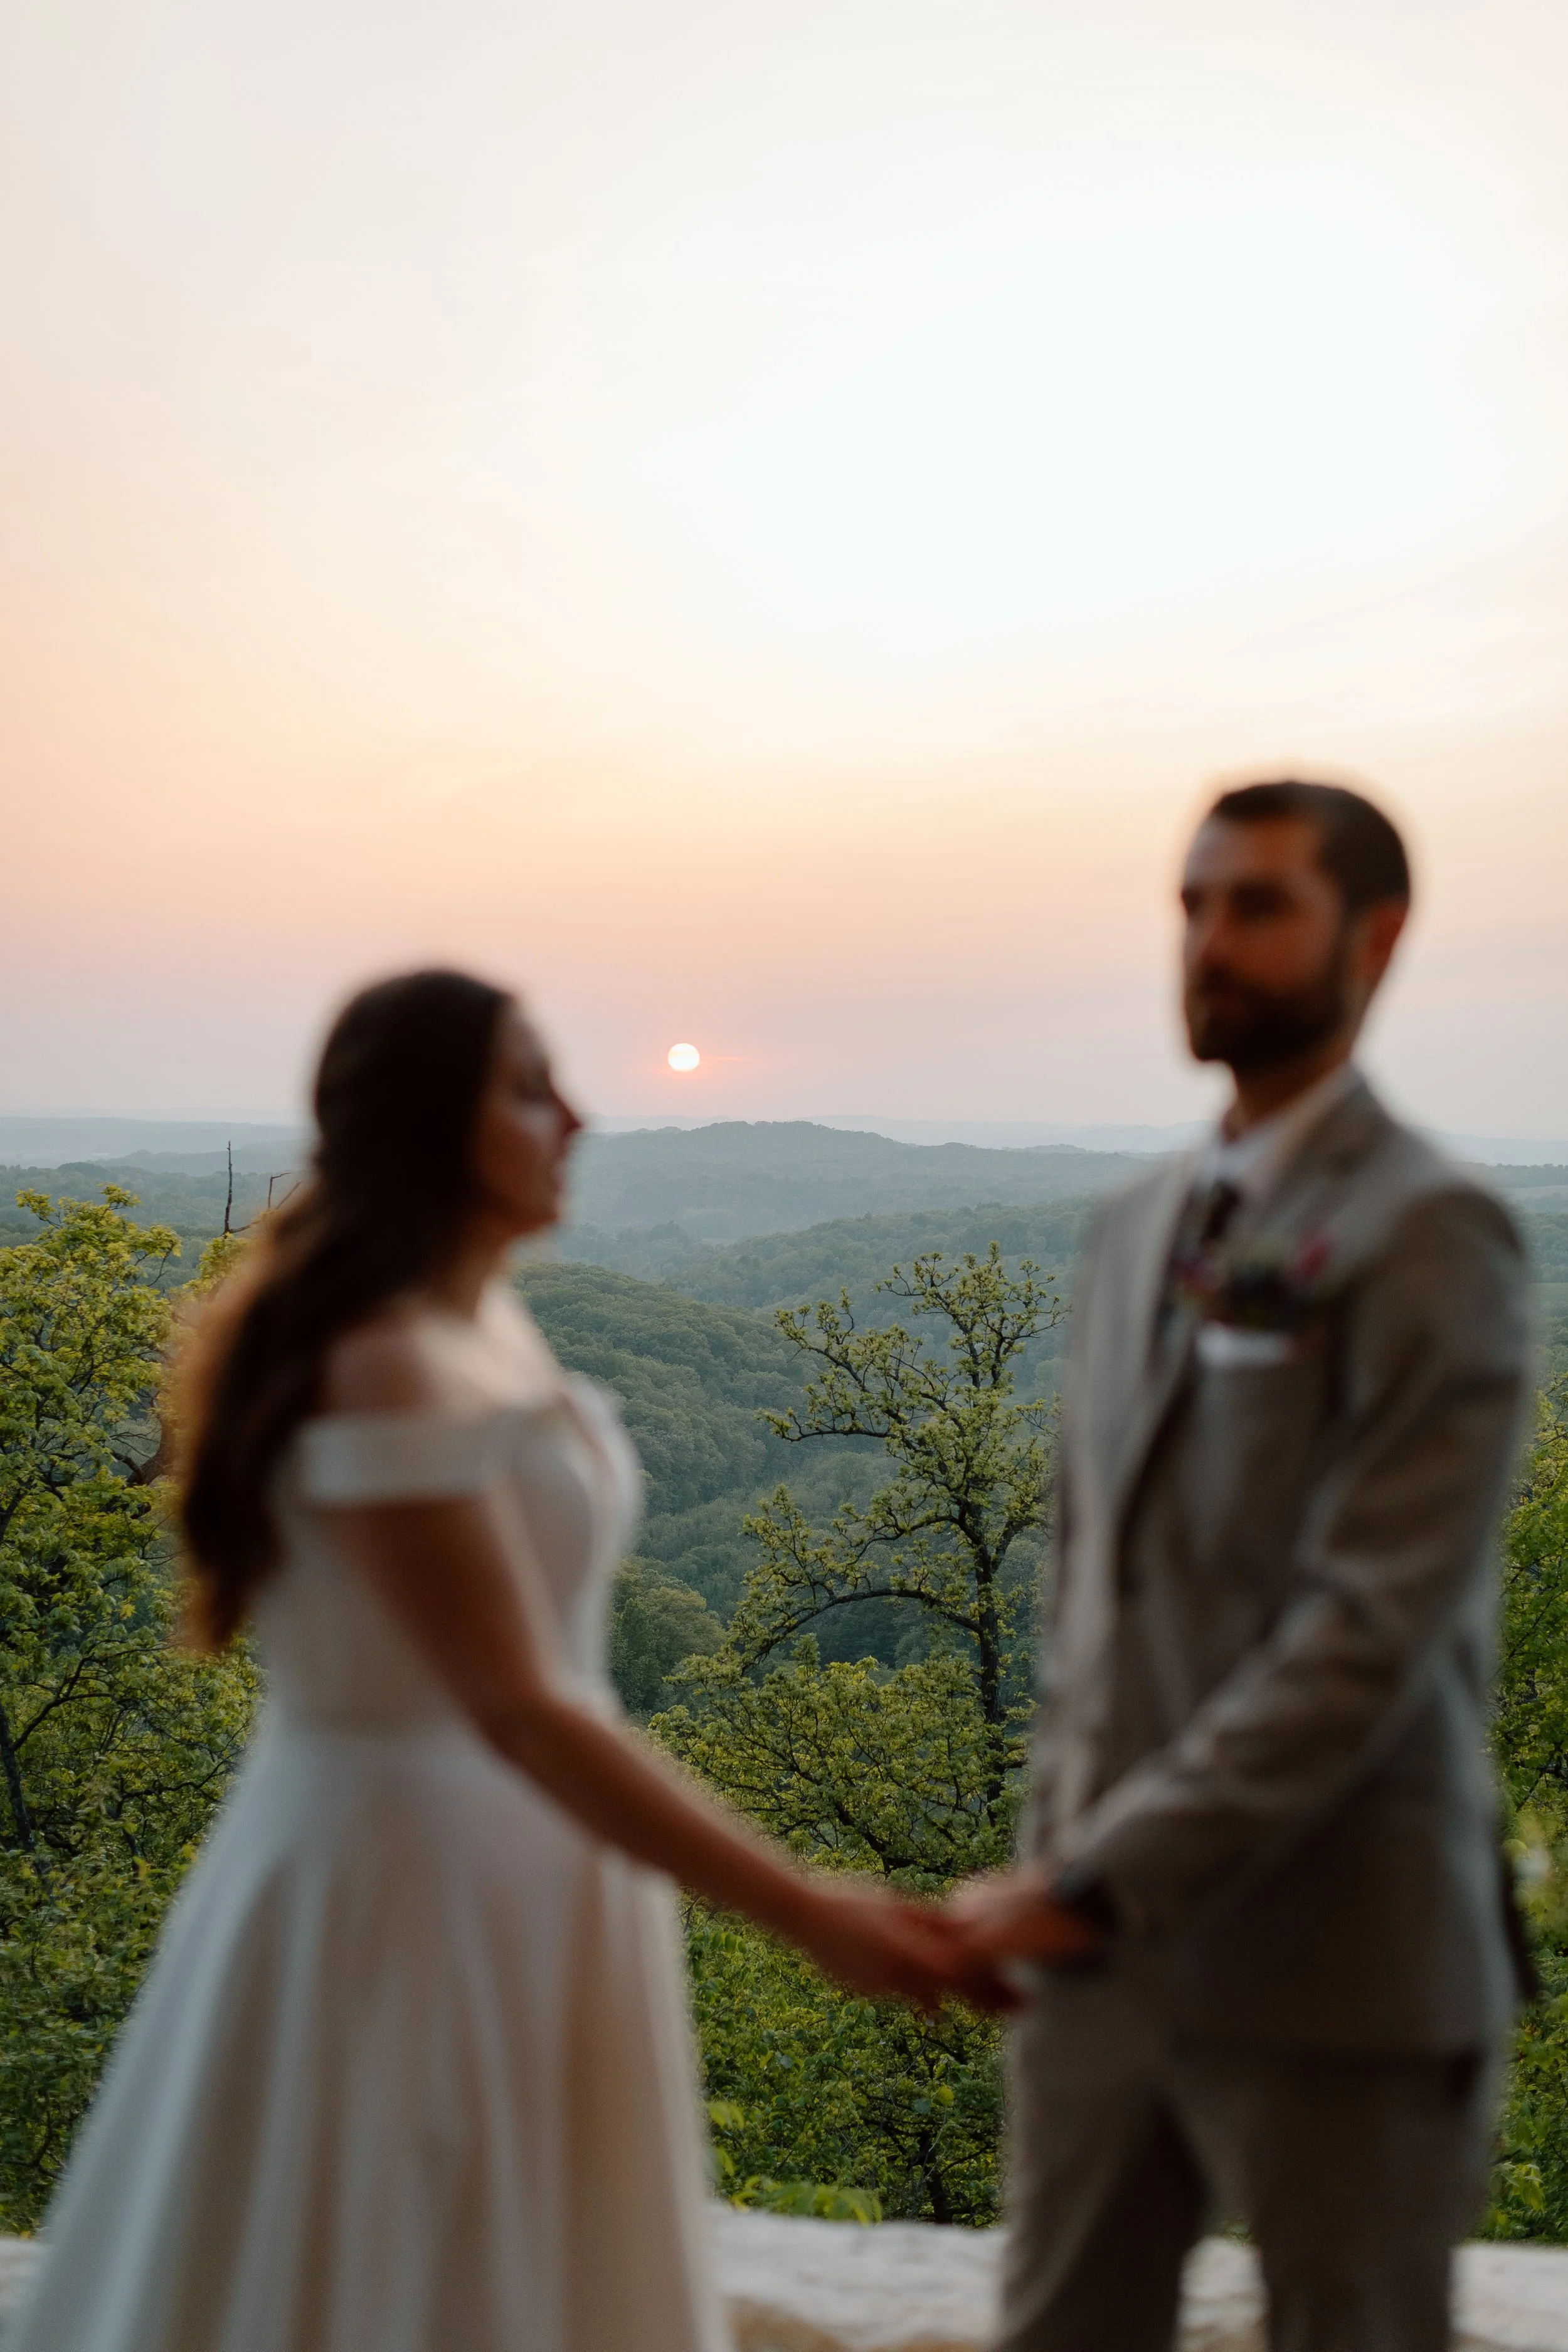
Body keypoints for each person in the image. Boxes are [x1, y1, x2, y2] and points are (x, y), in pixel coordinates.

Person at [8, 969, 991, 2352]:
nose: (577, 1116)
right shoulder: (380, 1361)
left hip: (531, 1884)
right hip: (403, 1895)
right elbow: (521, 1707)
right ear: (425, 1125)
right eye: (529, 1087)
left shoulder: (478, 1324)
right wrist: (807, 1906)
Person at [952, 781, 1534, 2352]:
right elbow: (1091, 1608)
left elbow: (1366, 1629)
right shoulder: (1133, 1224)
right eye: (1191, 905)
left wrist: (1094, 1877)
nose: (1208, 941)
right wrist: (1051, 1863)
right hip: (1092, 1972)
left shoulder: (1435, 1231)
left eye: (1256, 904)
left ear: (1377, 932)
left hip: (1338, 1958)